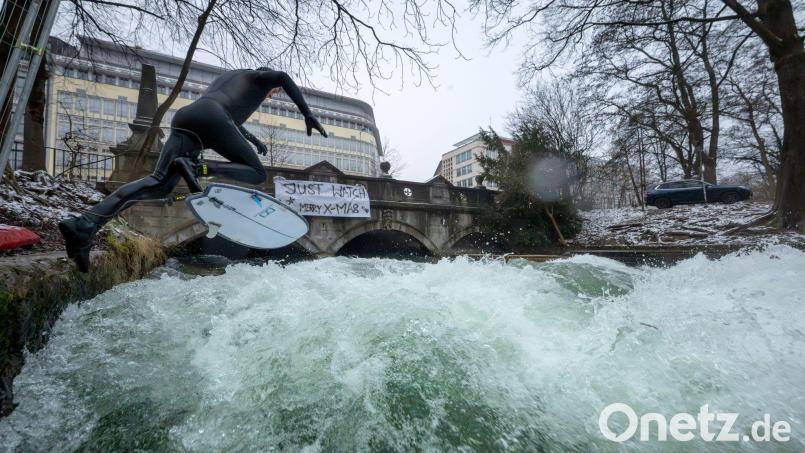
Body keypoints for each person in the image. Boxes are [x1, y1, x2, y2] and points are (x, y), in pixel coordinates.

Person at [58, 68, 328, 272]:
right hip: (212, 120)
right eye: (275, 92)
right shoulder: (260, 78)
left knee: (158, 184)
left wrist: (255, 141)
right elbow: (282, 76)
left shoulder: (231, 79)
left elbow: (230, 119)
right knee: (256, 174)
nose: (273, 94)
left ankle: (85, 225)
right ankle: (199, 167)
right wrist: (307, 113)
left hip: (188, 118)